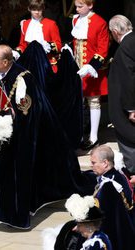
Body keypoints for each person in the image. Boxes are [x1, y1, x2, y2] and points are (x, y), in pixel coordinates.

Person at [0, 44, 96, 229]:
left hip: (20, 135)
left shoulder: (23, 79)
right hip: (0, 133)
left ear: (6, 62)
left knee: (15, 175)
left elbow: (28, 111)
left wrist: (11, 125)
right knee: (0, 172)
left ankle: (15, 215)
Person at [71, 0, 110, 150]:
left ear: (90, 5)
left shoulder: (100, 22)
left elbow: (103, 49)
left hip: (93, 70)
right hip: (77, 69)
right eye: (76, 6)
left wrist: (91, 66)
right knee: (78, 103)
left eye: (80, 6)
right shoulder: (75, 19)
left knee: (93, 101)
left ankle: (93, 137)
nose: (77, 9)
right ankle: (79, 135)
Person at [90, 145, 135, 250]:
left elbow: (103, 219)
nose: (91, 166)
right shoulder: (119, 174)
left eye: (93, 163)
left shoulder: (107, 187)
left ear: (105, 163)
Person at [108, 15, 135, 176]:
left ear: (116, 32)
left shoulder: (125, 47)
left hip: (127, 111)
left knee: (130, 149)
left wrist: (131, 109)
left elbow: (128, 79)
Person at [15, 0, 62, 73]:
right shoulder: (25, 24)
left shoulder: (51, 24)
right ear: (29, 9)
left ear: (43, 9)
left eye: (39, 9)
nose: (37, 12)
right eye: (34, 9)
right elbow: (23, 45)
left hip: (46, 63)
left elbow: (58, 45)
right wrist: (16, 53)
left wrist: (48, 45)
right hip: (29, 64)